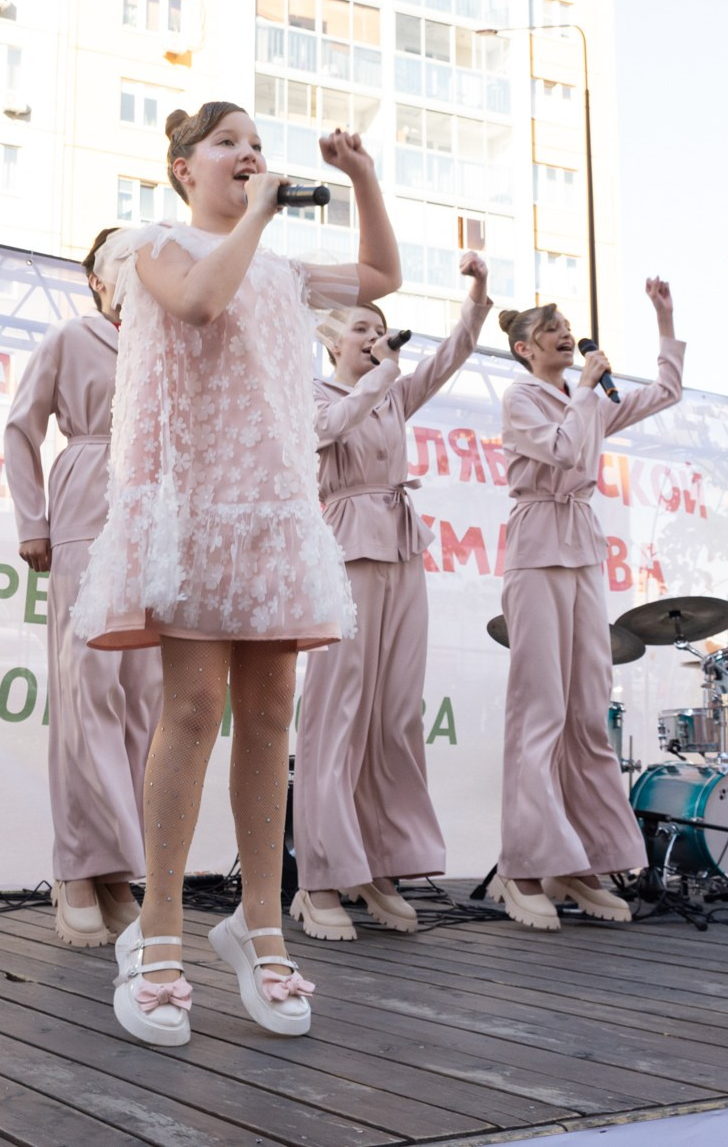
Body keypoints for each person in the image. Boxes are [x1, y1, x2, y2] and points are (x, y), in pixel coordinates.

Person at [73, 103, 399, 1046]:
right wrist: (257, 217)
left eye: (257, 147)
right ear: (183, 168)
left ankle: (260, 922)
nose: (250, 157)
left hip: (272, 504)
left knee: (269, 713)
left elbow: (382, 275)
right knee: (190, 707)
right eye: (229, 145)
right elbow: (201, 301)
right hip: (191, 502)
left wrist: (364, 176)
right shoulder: (148, 244)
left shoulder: (286, 270)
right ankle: (159, 926)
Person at [290, 252, 490, 940]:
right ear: (332, 341)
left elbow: (453, 356)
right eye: (361, 331)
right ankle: (318, 873)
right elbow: (328, 431)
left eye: (383, 329)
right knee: (336, 708)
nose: (376, 339)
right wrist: (380, 375)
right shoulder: (314, 392)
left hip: (401, 545)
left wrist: (477, 297)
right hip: (346, 543)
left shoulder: (394, 389)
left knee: (395, 709)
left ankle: (375, 861)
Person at [492, 282, 683, 929]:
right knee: (540, 708)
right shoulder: (524, 397)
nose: (566, 334)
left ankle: (580, 859)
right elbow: (569, 448)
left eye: (569, 326)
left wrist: (664, 319)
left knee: (586, 708)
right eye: (552, 329)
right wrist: (586, 392)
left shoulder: (584, 399)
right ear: (525, 347)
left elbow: (666, 393)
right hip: (537, 545)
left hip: (580, 547)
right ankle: (523, 865)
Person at [6, 229, 164, 948]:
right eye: (119, 259)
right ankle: (76, 868)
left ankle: (116, 872)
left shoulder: (170, 344)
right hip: (83, 507)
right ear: (96, 280)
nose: (135, 267)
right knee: (86, 693)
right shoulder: (71, 337)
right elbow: (21, 426)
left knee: (143, 700)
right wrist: (30, 518)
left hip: (155, 524)